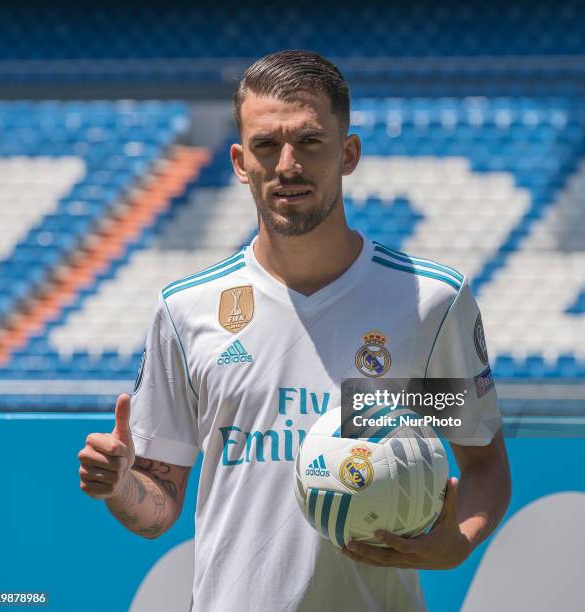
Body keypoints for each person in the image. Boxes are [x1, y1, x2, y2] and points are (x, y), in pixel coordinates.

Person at [77, 50, 511, 611]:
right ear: (239, 161)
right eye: (266, 145)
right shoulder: (187, 309)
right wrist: (119, 487)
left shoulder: (428, 302)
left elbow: (483, 461)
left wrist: (461, 539)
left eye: (309, 141)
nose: (287, 165)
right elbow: (159, 505)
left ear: (347, 152)